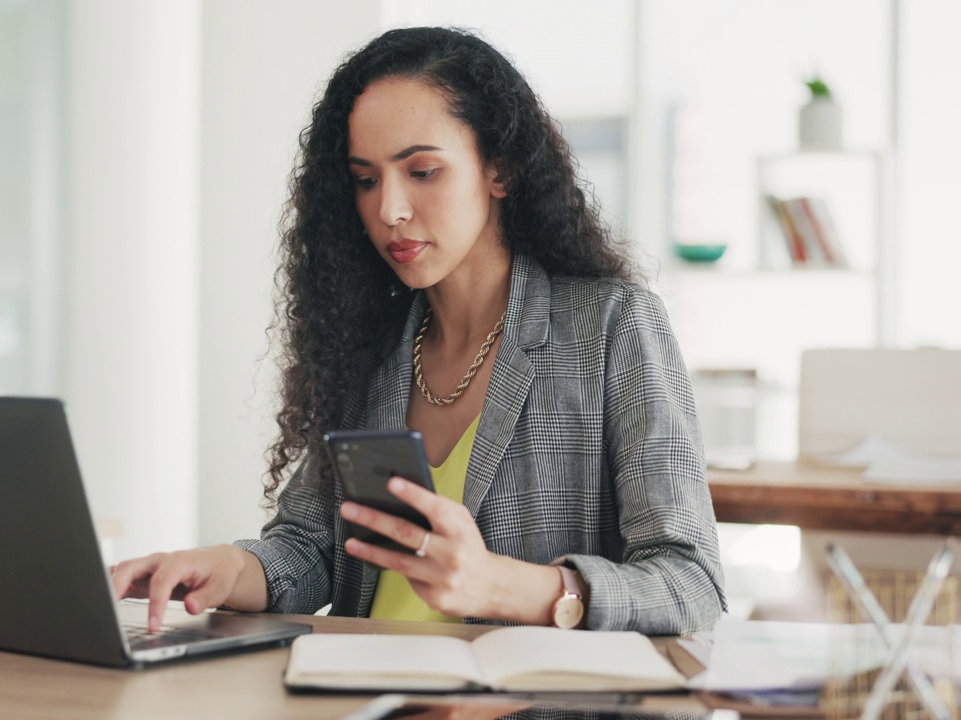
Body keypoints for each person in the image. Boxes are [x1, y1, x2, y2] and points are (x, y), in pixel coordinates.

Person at [111, 26, 725, 635]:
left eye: (423, 171)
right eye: (366, 179)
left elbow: (689, 582)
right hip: (362, 694)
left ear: (500, 169)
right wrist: (227, 567)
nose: (389, 210)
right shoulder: (371, 343)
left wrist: (514, 588)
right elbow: (311, 547)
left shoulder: (611, 326)